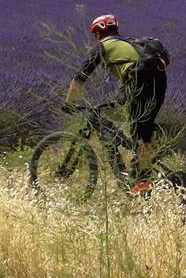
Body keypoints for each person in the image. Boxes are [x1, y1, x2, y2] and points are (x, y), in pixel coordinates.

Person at [65, 13, 169, 190]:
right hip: (159, 83)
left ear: (98, 33)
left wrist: (69, 102)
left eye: (95, 34)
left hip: (138, 85)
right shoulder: (130, 42)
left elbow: (80, 77)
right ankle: (142, 175)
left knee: (138, 134)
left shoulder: (103, 46)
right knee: (142, 132)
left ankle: (142, 184)